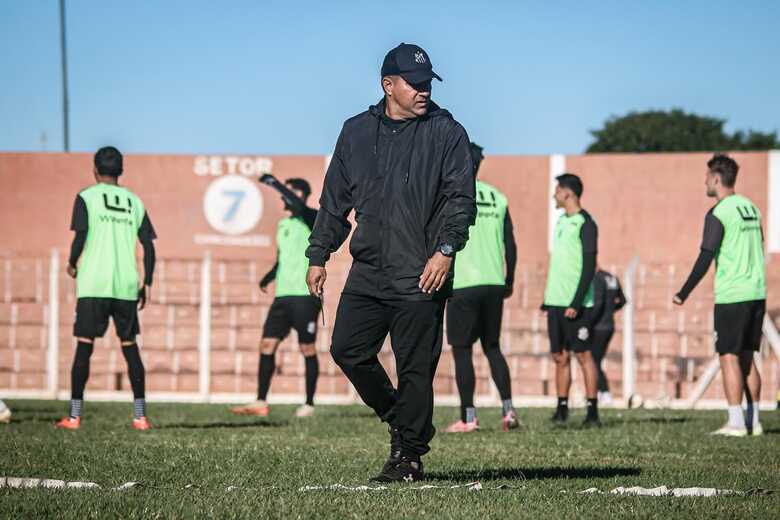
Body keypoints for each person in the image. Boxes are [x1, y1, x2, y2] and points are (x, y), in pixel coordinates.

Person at [305, 43, 475, 482]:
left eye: (427, 84)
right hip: (369, 270)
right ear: (388, 85)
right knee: (347, 349)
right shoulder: (355, 132)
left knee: (415, 369)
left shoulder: (446, 131)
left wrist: (445, 251)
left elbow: (461, 199)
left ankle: (409, 457)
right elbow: (333, 201)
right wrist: (319, 254)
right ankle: (402, 421)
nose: (423, 91)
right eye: (414, 84)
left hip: (422, 272)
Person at [56, 146, 156, 430]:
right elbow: (149, 246)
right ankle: (140, 416)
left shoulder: (86, 197)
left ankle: (74, 416)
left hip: (94, 284)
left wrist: (72, 262)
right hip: (125, 285)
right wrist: (147, 281)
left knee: (84, 348)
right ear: (121, 170)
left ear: (95, 169)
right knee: (130, 348)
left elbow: (81, 236)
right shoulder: (135, 202)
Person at [674, 154, 765, 437]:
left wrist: (683, 292)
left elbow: (706, 256)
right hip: (756, 292)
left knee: (728, 356)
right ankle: (755, 422)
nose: (704, 182)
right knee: (747, 358)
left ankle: (736, 423)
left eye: (706, 178)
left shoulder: (719, 211)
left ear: (716, 178)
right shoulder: (751, 207)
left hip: (732, 295)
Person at [444, 142, 519, 433]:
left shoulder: (452, 194)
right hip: (493, 283)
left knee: (462, 350)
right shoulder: (497, 197)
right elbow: (510, 243)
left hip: (463, 283)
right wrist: (508, 279)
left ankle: (468, 417)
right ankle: (508, 410)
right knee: (492, 347)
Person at [231, 175, 320, 418]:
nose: (284, 197)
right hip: (282, 297)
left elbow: (300, 207)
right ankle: (261, 401)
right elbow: (282, 259)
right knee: (267, 345)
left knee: (307, 348)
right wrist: (268, 277)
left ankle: (309, 404)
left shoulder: (312, 218)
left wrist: (275, 183)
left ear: (300, 195)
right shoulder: (283, 226)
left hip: (305, 296)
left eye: (288, 193)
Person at [542, 173, 601, 427]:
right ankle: (562, 408)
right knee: (559, 356)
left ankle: (592, 412)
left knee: (584, 355)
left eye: (557, 191)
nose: (554, 195)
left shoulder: (586, 223)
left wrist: (576, 302)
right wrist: (548, 298)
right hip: (555, 301)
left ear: (568, 193)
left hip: (576, 304)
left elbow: (589, 267)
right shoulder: (561, 222)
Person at [590, 268, 626, 405]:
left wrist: (588, 322)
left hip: (598, 326)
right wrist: (610, 310)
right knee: (595, 360)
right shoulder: (612, 277)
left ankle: (604, 392)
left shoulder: (596, 279)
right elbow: (622, 301)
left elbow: (598, 303)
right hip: (609, 325)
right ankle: (599, 391)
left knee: (593, 361)